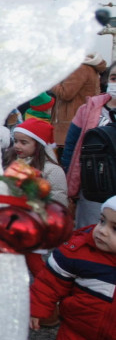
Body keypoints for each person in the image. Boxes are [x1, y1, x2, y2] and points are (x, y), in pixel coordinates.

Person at [29, 196, 116, 340]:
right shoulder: (80, 251)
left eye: (115, 229)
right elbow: (50, 281)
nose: (102, 231)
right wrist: (38, 307)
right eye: (102, 221)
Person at [61, 63, 116, 228]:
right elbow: (71, 146)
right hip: (93, 187)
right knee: (89, 232)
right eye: (114, 78)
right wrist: (70, 180)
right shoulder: (87, 109)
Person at [4, 118, 68, 206]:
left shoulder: (53, 170)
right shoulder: (12, 163)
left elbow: (58, 201)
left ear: (38, 145)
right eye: (15, 141)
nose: (17, 146)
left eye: (23, 143)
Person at [50, 54, 108, 146]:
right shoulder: (88, 66)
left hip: (70, 124)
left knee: (68, 156)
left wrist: (51, 81)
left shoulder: (79, 68)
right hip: (81, 120)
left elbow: (66, 94)